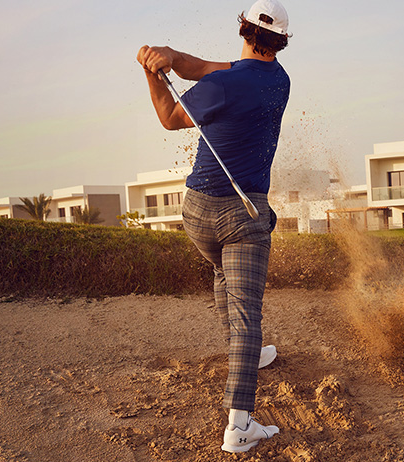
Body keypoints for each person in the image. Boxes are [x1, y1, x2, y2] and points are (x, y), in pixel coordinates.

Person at [136, 0, 291, 453]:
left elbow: (169, 118)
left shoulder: (221, 85)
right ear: (281, 42)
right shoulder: (279, 81)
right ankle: (239, 425)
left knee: (226, 276)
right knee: (246, 315)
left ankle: (248, 359)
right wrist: (170, 54)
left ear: (242, 30)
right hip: (243, 217)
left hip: (198, 214)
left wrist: (152, 72)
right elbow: (200, 66)